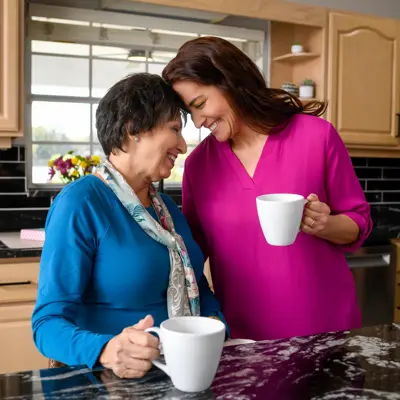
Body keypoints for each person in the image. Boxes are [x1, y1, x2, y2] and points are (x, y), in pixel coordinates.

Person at [162, 37, 372, 341]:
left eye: (200, 104)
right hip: (245, 338)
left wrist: (325, 224)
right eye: (189, 112)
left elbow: (359, 223)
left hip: (326, 331)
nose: (197, 121)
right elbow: (192, 256)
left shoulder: (317, 136)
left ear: (230, 82)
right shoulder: (198, 165)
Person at [32, 73, 228, 379]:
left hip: (181, 373)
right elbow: (47, 325)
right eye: (174, 129)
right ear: (133, 129)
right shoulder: (81, 203)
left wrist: (217, 327)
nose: (182, 145)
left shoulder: (168, 211)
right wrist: (109, 350)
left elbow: (199, 290)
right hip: (108, 381)